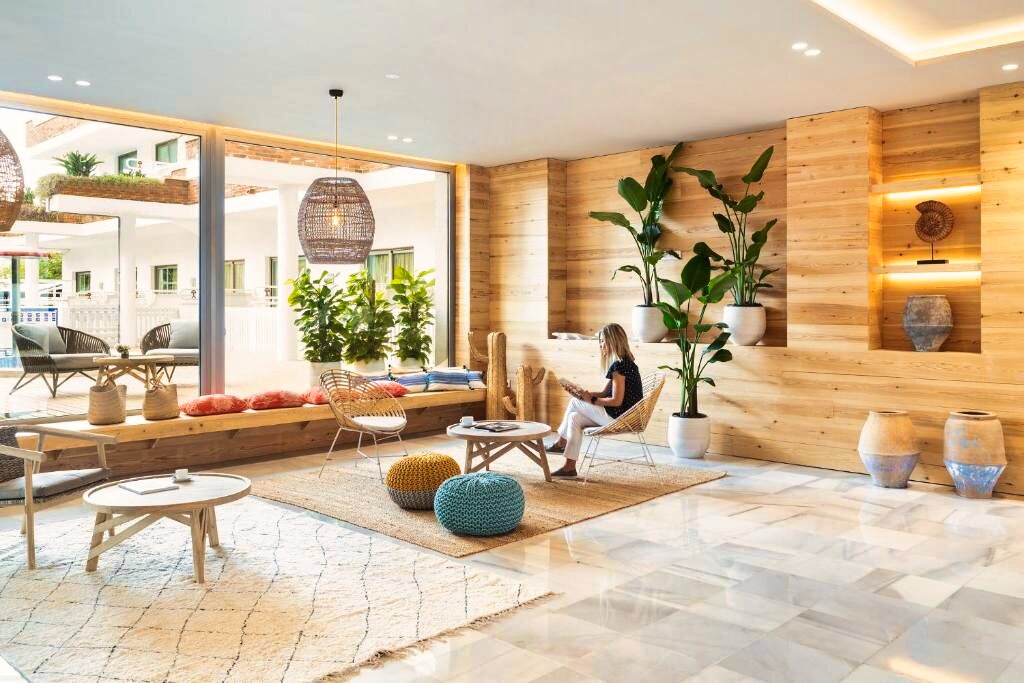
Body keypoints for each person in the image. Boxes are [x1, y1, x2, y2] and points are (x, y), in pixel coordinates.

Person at [548, 323, 643, 477]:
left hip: (620, 418)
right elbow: (604, 393)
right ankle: (569, 467)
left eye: (604, 341)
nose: (601, 345)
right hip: (622, 416)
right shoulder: (626, 363)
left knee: (574, 403)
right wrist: (581, 394)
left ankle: (560, 443)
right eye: (600, 341)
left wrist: (589, 399)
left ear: (613, 341)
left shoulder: (619, 366)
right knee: (574, 417)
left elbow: (616, 401)